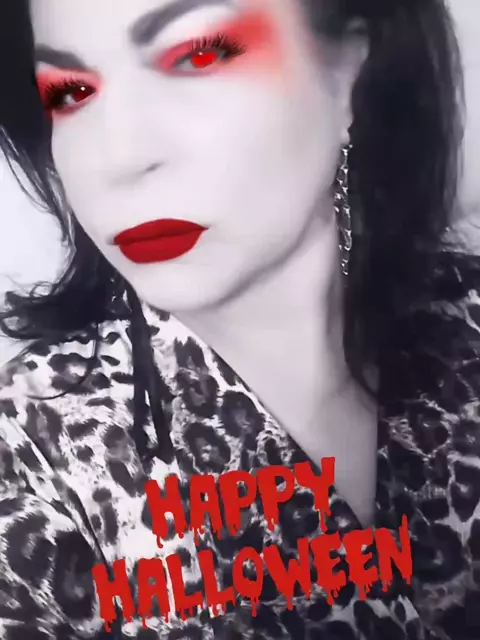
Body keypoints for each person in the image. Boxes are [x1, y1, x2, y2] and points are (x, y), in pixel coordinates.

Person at [0, 0, 477, 637]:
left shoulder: (466, 325)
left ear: (349, 74)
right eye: (70, 92)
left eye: (198, 55)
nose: (118, 158)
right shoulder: (32, 454)